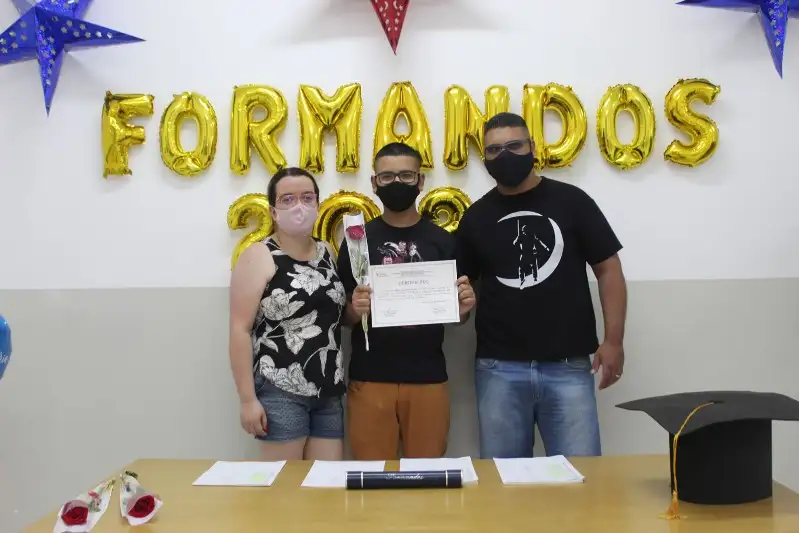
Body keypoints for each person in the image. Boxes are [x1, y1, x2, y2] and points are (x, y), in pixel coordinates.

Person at [455, 112, 627, 459]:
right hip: (498, 369)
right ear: (484, 158)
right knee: (502, 482)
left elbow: (608, 269)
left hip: (568, 366)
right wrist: (459, 309)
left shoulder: (573, 202)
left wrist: (614, 341)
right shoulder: (475, 218)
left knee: (581, 479)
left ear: (532, 147)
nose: (504, 156)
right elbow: (460, 294)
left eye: (514, 146)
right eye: (494, 150)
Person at [337, 142, 476, 460]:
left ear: (420, 180)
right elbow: (343, 316)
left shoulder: (443, 241)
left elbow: (457, 315)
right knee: (372, 475)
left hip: (428, 377)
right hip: (370, 377)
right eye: (387, 177)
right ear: (374, 183)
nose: (396, 183)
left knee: (428, 476)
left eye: (406, 175)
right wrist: (355, 309)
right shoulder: (357, 242)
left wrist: (464, 309)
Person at [228, 167, 346, 460]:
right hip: (280, 387)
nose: (299, 206)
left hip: (328, 391)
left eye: (307, 197)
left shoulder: (327, 253)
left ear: (317, 203)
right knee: (284, 484)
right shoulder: (259, 255)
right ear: (273, 210)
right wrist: (247, 400)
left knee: (325, 483)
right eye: (288, 199)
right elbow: (240, 329)